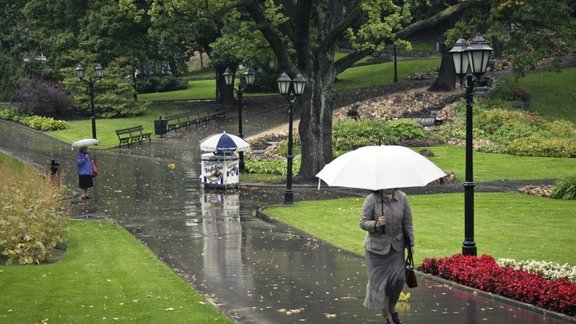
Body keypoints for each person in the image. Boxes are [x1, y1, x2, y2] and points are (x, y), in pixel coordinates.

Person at [360, 188, 414, 324]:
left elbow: (407, 222)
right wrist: (377, 223)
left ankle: (392, 307)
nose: (389, 187)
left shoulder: (402, 197)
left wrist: (411, 243)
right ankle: (387, 316)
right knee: (381, 284)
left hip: (396, 247)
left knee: (398, 280)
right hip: (376, 249)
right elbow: (363, 222)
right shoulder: (372, 199)